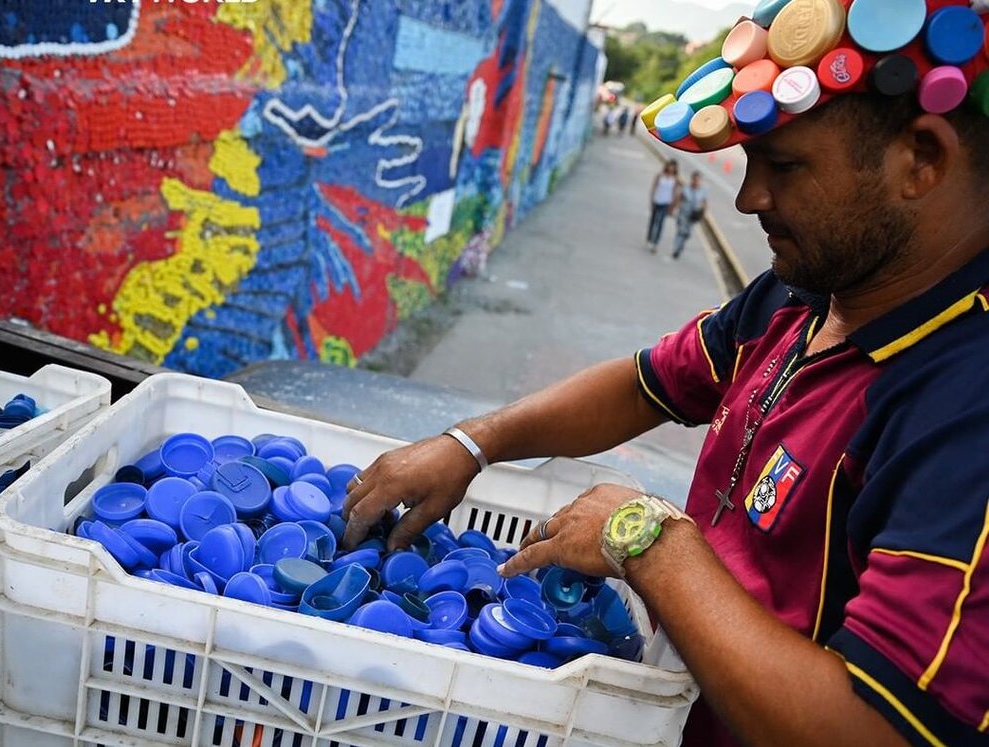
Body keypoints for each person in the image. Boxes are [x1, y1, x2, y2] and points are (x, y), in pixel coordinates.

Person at [342, 2, 989, 744]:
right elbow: (647, 383)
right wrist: (470, 444)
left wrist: (647, 540)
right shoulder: (802, 294)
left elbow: (880, 728)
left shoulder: (964, 406)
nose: (748, 198)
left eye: (784, 165)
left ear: (923, 159)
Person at [671, 170, 707, 260]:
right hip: (683, 213)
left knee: (687, 233)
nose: (696, 182)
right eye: (694, 180)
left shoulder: (702, 191)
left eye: (697, 180)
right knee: (680, 231)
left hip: (693, 216)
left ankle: (680, 246)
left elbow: (704, 203)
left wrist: (702, 214)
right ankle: (676, 248)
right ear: (692, 179)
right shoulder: (686, 188)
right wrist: (674, 209)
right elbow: (680, 199)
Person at [647, 159, 679, 253]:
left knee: (660, 223)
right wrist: (652, 200)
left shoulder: (675, 179)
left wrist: (672, 207)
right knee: (653, 221)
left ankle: (655, 243)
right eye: (670, 166)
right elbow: (654, 188)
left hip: (666, 203)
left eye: (673, 167)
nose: (671, 168)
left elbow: (675, 193)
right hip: (657, 201)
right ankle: (649, 238)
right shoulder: (659, 175)